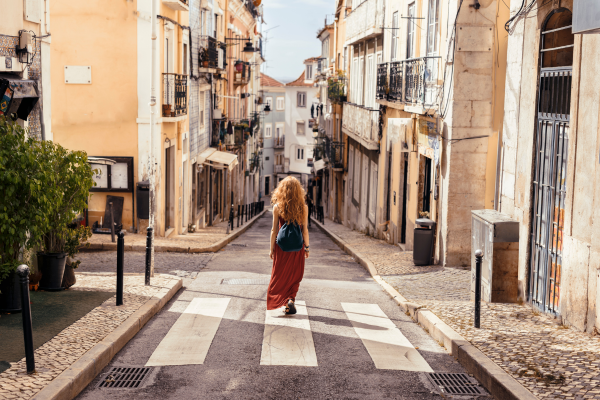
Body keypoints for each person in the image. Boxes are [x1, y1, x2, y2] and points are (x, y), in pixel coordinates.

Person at [267, 176, 310, 314]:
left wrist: (272, 248)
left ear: (282, 190)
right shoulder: (303, 208)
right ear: (299, 191)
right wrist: (307, 248)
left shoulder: (277, 207)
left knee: (279, 275)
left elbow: (274, 230)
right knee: (295, 275)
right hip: (298, 247)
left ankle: (284, 301)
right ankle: (290, 299)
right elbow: (305, 231)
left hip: (281, 248)